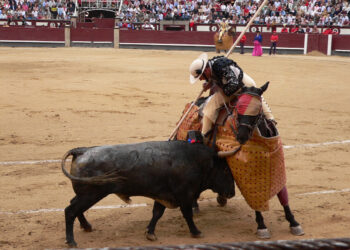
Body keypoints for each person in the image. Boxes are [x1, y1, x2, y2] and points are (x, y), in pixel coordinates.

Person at [189, 53, 275, 141]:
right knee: (257, 95)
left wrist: (217, 86)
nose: (200, 79)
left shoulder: (220, 68)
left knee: (209, 109)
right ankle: (270, 118)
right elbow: (218, 76)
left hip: (238, 87)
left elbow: (233, 85)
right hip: (247, 82)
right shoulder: (213, 65)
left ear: (205, 71)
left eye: (200, 76)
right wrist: (210, 83)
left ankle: (205, 137)